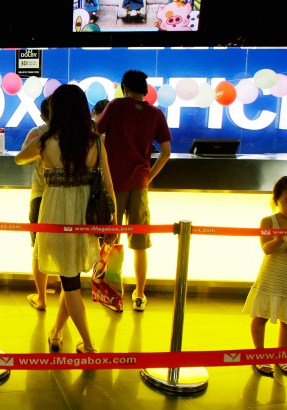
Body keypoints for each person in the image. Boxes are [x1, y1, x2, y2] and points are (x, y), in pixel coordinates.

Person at [16, 84, 117, 353]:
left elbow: (19, 159)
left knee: (69, 279)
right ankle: (56, 333)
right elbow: (108, 183)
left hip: (55, 214)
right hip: (85, 214)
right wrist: (113, 220)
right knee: (69, 276)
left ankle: (89, 343)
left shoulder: (47, 141)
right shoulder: (95, 140)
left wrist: (41, 143)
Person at [96, 70, 171, 311]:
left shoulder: (116, 106)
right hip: (140, 183)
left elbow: (95, 133)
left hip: (114, 182)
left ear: (125, 87)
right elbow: (166, 152)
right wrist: (148, 177)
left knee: (111, 239)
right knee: (140, 242)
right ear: (145, 89)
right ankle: (139, 294)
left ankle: (113, 294)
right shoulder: (156, 113)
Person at [244, 176, 287, 377]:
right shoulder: (268, 221)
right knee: (261, 315)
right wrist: (280, 239)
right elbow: (266, 249)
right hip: (271, 275)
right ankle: (259, 355)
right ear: (277, 200)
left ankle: (283, 355)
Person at [22, 97, 52, 311]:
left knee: (38, 248)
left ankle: (41, 296)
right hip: (68, 198)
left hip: (40, 194)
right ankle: (63, 290)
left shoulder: (38, 133)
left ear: (42, 115)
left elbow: (22, 157)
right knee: (62, 244)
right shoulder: (73, 133)